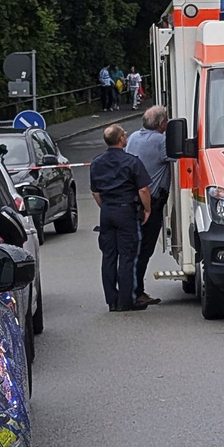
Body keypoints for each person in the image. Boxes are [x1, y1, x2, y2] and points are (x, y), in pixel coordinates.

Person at [90, 124, 151, 312]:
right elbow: (143, 189)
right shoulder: (131, 162)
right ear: (121, 140)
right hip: (126, 211)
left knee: (108, 256)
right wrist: (147, 210)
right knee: (127, 256)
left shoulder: (97, 162)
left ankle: (112, 300)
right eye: (124, 134)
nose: (126, 136)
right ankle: (127, 300)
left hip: (107, 212)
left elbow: (95, 192)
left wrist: (106, 207)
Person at [126, 106, 175, 307]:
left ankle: (131, 289)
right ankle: (136, 292)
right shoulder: (160, 141)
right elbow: (178, 156)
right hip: (151, 203)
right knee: (144, 249)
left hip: (133, 200)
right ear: (162, 124)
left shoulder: (134, 138)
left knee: (134, 248)